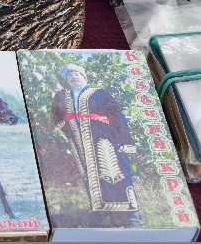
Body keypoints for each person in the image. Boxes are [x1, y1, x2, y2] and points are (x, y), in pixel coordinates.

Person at [51, 63, 144, 227]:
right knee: (90, 176)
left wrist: (124, 141)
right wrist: (69, 130)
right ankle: (103, 213)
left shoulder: (100, 94)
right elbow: (56, 116)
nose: (73, 77)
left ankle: (131, 216)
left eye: (76, 74)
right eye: (69, 75)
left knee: (116, 174)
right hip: (80, 144)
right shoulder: (61, 97)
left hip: (105, 140)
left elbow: (117, 116)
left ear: (84, 76)